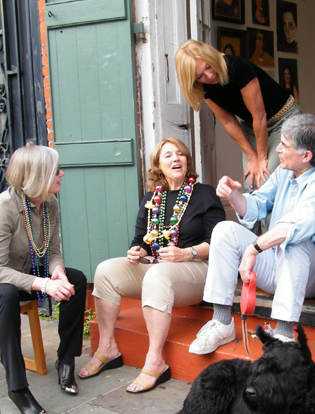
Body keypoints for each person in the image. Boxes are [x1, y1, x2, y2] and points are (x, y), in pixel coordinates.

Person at [82, 138, 226, 393]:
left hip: (198, 267)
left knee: (157, 275)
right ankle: (107, 348)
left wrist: (186, 253)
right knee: (105, 270)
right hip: (159, 269)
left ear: (187, 160)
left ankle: (155, 360)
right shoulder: (152, 198)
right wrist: (138, 251)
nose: (176, 158)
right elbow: (141, 241)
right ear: (158, 165)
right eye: (168, 155)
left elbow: (219, 243)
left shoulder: (204, 193)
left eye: (180, 153)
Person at [0, 145, 87, 414]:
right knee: (5, 294)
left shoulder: (49, 203)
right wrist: (43, 285)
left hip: (25, 270)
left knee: (76, 279)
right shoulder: (2, 209)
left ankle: (66, 360)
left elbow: (53, 250)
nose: (62, 174)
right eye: (56, 171)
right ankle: (17, 388)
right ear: (38, 175)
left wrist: (57, 273)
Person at [188, 114, 315, 354]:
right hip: (275, 267)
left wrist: (254, 248)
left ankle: (284, 336)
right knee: (223, 229)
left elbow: (297, 225)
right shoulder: (285, 172)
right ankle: (221, 322)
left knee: (292, 240)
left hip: (309, 278)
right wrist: (234, 196)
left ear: (306, 156)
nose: (279, 150)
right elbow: (258, 204)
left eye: (285, 145)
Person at [176, 39, 299, 194]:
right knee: (251, 184)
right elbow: (228, 122)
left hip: (283, 119)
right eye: (200, 75)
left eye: (208, 66)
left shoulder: (237, 67)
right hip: (253, 127)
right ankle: (252, 219)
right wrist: (252, 157)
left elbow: (259, 115)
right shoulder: (204, 88)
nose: (209, 75)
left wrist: (261, 159)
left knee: (265, 180)